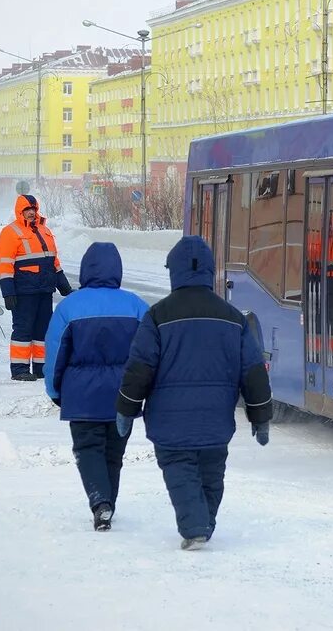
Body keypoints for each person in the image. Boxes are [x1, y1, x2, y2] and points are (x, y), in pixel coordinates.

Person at [115, 235, 273, 551]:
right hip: (216, 421)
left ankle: (196, 525)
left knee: (180, 471)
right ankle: (203, 522)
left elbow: (139, 368)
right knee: (211, 475)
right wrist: (261, 415)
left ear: (174, 272)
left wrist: (127, 408)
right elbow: (253, 371)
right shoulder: (233, 318)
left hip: (169, 424)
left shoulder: (157, 317)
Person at [43, 242, 148, 531]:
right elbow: (151, 354)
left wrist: (54, 390)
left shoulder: (69, 307)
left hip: (82, 396)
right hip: (125, 395)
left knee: (88, 449)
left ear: (85, 269)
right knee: (114, 453)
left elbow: (54, 354)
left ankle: (100, 502)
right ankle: (108, 503)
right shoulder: (136, 306)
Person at [0, 194, 73, 381]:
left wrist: (64, 287)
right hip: (24, 292)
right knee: (23, 330)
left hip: (44, 290)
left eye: (33, 209)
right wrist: (8, 292)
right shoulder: (10, 232)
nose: (31, 213)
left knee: (43, 331)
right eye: (27, 210)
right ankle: (20, 369)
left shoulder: (44, 231)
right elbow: (5, 265)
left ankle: (42, 368)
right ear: (20, 212)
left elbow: (53, 262)